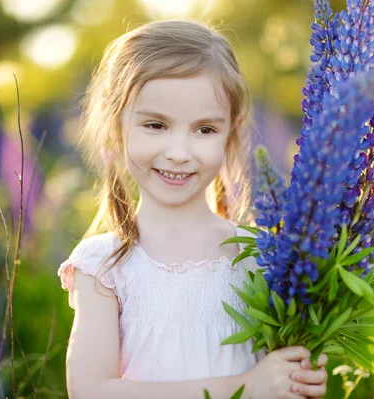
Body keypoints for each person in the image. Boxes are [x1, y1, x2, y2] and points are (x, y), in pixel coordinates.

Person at [58, 19, 328, 399]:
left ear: (230, 134)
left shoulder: (257, 254)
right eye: (156, 125)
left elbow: (274, 376)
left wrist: (298, 380)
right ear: (115, 125)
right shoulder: (104, 265)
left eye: (204, 130)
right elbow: (90, 390)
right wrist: (241, 389)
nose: (179, 152)